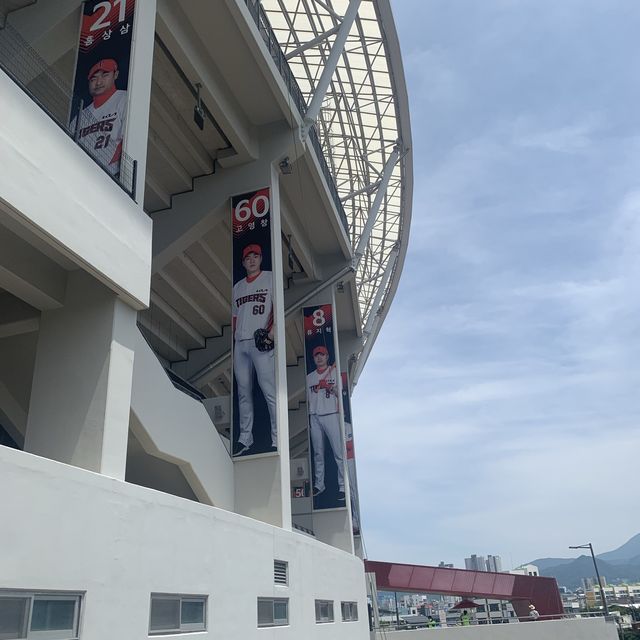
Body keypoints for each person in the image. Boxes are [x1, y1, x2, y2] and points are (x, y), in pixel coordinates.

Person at [232, 243, 277, 455]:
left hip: (261, 343)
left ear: (260, 258)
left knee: (269, 391)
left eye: (255, 256)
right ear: (243, 262)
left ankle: (277, 438)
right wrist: (234, 340)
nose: (251, 260)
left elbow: (278, 308)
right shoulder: (237, 287)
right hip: (240, 344)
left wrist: (272, 334)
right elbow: (234, 317)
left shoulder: (270, 278)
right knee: (243, 393)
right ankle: (245, 438)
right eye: (247, 257)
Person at [73, 58, 128, 174]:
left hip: (113, 174)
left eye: (105, 75)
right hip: (82, 176)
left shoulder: (125, 98)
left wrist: (105, 170)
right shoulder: (80, 117)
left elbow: (127, 141)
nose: (98, 82)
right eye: (93, 79)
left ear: (115, 74)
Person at [306, 345, 345, 501]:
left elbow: (340, 394)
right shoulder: (309, 377)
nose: (319, 357)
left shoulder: (335, 372)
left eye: (322, 354)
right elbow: (310, 396)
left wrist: (329, 387)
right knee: (318, 453)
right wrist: (317, 388)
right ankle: (319, 484)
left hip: (331, 414)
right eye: (316, 355)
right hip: (314, 415)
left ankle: (342, 486)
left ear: (327, 356)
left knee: (338, 452)